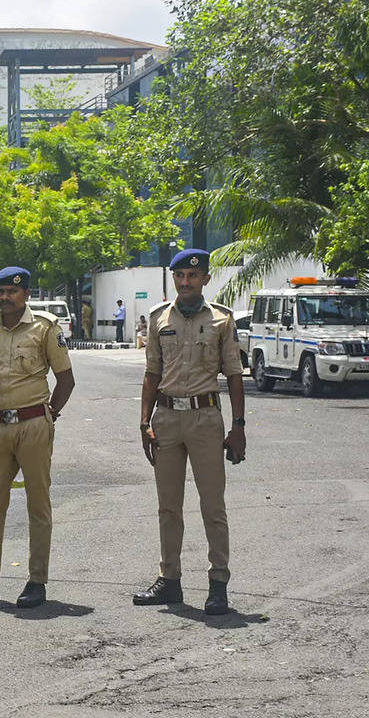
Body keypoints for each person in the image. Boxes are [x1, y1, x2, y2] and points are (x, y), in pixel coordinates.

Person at [0, 267, 74, 609]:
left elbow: (66, 378)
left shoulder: (45, 326)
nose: (5, 298)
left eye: (11, 292)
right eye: (0, 292)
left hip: (33, 424)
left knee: (38, 505)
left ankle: (37, 581)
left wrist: (50, 415)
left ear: (26, 294)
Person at [135, 248, 246, 615]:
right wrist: (144, 421)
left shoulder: (221, 320)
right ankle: (170, 580)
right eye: (179, 276)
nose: (185, 282)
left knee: (212, 506)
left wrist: (238, 427)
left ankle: (218, 585)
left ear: (205, 279)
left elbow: (233, 375)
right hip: (166, 418)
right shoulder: (158, 318)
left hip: (205, 419)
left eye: (193, 276)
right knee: (168, 507)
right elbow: (152, 373)